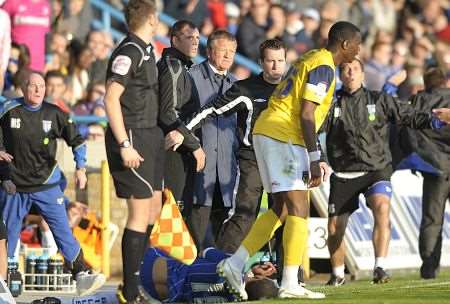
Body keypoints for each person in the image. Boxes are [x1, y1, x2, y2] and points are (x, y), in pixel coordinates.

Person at [217, 21, 362, 300]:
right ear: (345, 44)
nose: (358, 49)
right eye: (356, 44)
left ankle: (234, 264)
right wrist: (314, 156)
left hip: (271, 131)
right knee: (299, 208)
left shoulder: (311, 57)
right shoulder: (324, 66)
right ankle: (289, 282)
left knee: (283, 209)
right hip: (282, 134)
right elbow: (307, 114)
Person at [322, 60, 446, 286]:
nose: (350, 73)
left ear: (362, 75)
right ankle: (338, 274)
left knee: (382, 206)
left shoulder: (378, 99)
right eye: (345, 70)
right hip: (344, 172)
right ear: (340, 75)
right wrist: (317, 159)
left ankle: (380, 266)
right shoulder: (330, 103)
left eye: (355, 69)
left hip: (376, 168)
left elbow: (408, 116)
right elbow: (312, 130)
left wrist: (435, 120)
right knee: (334, 228)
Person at [0, 72, 105, 296]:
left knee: (62, 229)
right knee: (8, 232)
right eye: (33, 86)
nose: (38, 90)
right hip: (14, 185)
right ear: (23, 88)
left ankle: (80, 274)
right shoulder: (8, 110)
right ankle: (6, 278)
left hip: (47, 183)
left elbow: (76, 140)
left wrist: (81, 167)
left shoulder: (54, 113)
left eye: (41, 86)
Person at [186, 38, 287, 254]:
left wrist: (320, 158)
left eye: (280, 60)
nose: (276, 66)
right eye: (271, 61)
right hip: (253, 160)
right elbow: (211, 110)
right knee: (245, 214)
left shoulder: (292, 90)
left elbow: (307, 124)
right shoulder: (246, 89)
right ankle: (220, 267)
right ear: (261, 62)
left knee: (286, 215)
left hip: (284, 161)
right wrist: (183, 131)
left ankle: (288, 276)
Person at [103, 0, 163, 302]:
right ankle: (129, 290)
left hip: (150, 134)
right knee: (138, 212)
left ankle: (138, 281)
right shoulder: (129, 51)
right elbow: (111, 98)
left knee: (153, 207)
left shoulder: (147, 48)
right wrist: (124, 145)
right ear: (151, 18)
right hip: (131, 135)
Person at [186, 30, 238, 252]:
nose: (228, 56)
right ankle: (192, 277)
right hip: (198, 166)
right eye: (223, 50)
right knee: (195, 225)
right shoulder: (191, 77)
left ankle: (220, 277)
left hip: (226, 168)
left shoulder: (236, 84)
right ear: (209, 51)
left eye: (232, 52)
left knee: (223, 226)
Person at [398, 68, 450, 279]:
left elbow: (407, 133)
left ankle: (429, 268)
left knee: (432, 218)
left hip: (434, 168)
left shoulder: (418, 102)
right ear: (445, 82)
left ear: (426, 84)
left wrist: (420, 160)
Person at [157, 20, 205, 203]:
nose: (195, 41)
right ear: (175, 40)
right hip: (173, 150)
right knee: (172, 211)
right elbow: (167, 113)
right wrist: (195, 146)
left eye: (198, 37)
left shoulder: (183, 66)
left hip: (181, 147)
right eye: (189, 37)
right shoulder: (173, 67)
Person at [140, 246, 279, 303]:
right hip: (159, 295)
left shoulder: (231, 266)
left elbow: (206, 251)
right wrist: (251, 272)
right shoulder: (232, 300)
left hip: (152, 266)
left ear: (260, 277)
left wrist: (248, 269)